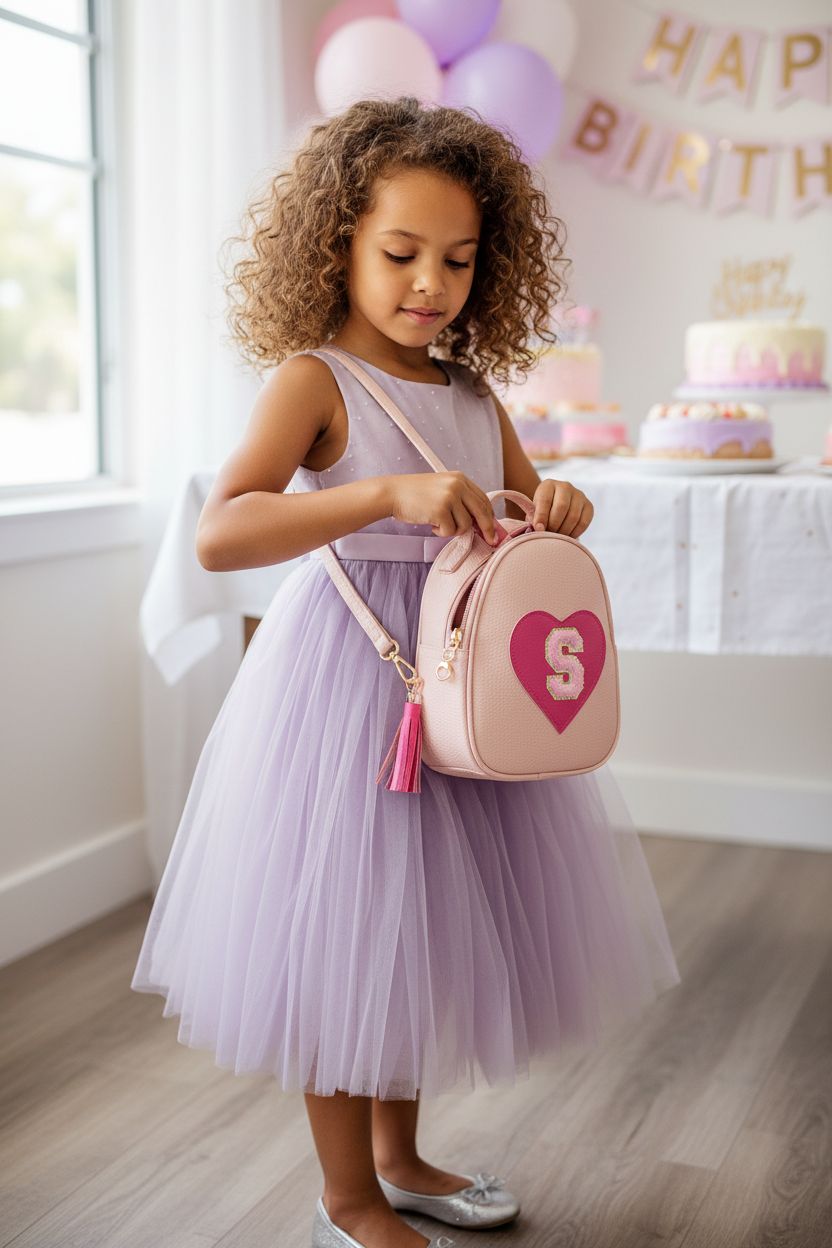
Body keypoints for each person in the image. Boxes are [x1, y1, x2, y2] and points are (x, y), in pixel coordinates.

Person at [131, 96, 681, 1248]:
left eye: (459, 260)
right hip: (350, 686)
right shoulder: (315, 380)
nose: (431, 283)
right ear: (338, 243)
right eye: (400, 253)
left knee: (418, 926)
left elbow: (516, 504)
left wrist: (554, 503)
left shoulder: (473, 392)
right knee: (346, 931)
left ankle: (401, 1158)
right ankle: (346, 1198)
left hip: (462, 690)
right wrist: (382, 492)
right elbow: (221, 532)